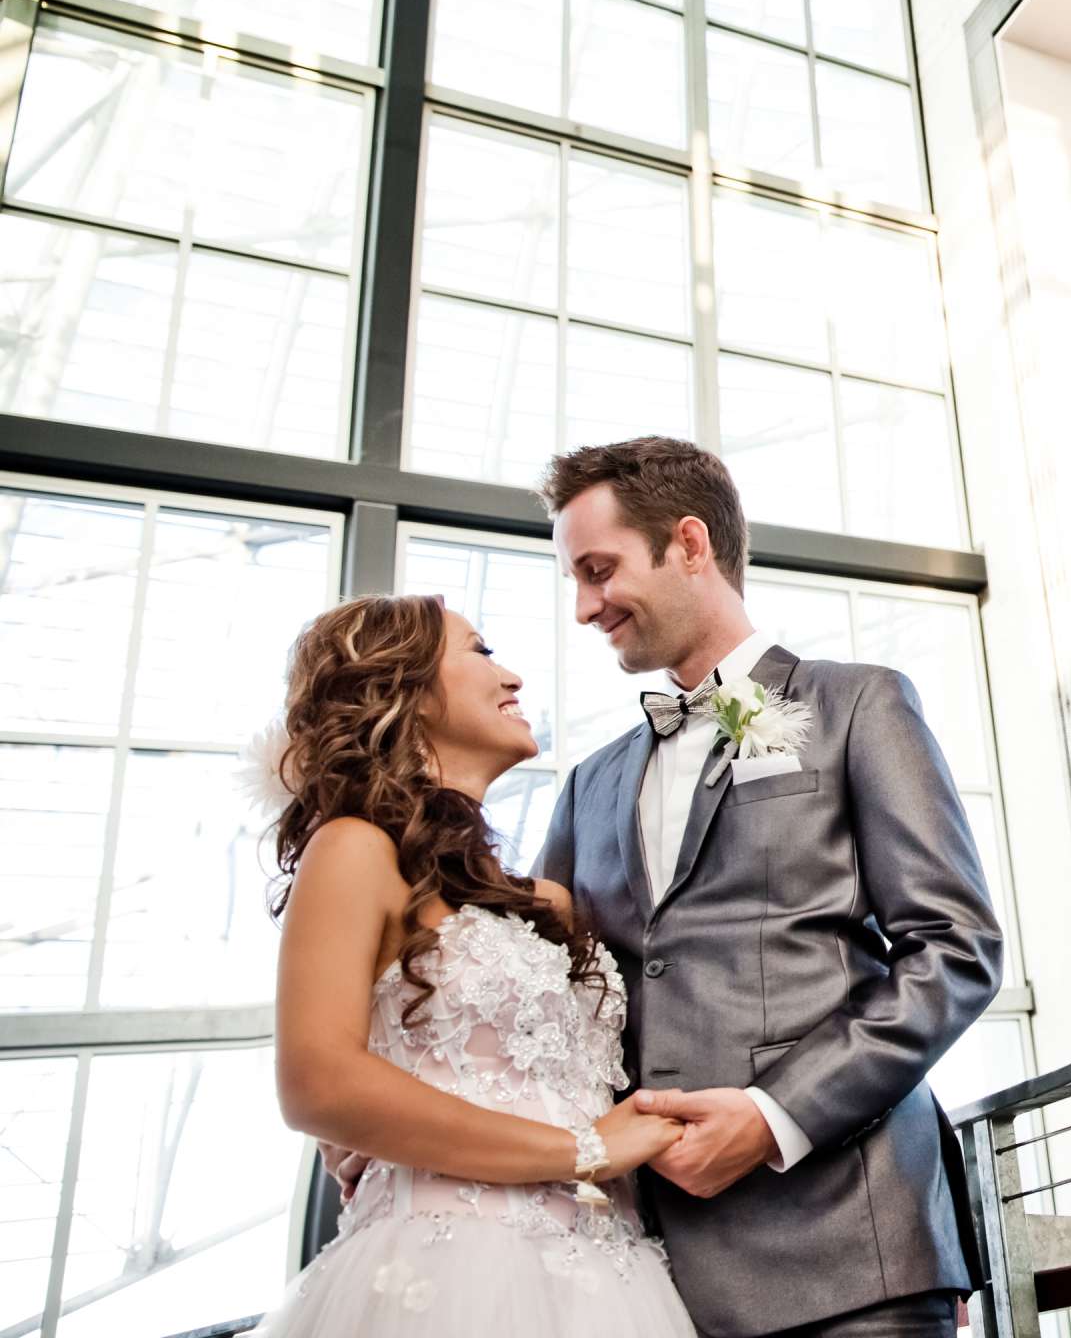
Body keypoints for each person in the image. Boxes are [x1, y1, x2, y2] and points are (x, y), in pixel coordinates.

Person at [538, 436, 1002, 1338]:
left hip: (852, 1249)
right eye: (575, 582)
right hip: (652, 1277)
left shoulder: (858, 705)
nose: (587, 607)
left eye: (599, 571)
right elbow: (546, 1001)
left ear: (689, 543)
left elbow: (955, 947)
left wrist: (773, 1113)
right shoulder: (586, 787)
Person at [251, 594, 698, 1336]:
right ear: (401, 687)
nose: (513, 674)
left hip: (613, 1277)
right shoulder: (354, 848)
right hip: (447, 1272)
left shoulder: (549, 903)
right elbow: (317, 1084)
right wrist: (585, 1148)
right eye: (481, 651)